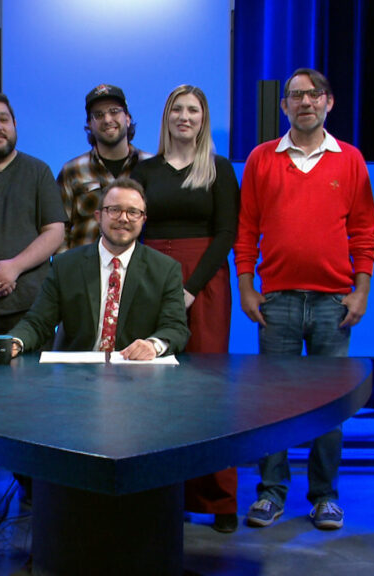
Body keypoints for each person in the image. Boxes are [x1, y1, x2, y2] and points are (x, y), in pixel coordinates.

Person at [233, 68, 374, 531]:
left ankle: (324, 497)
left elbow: (364, 231)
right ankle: (271, 494)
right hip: (275, 301)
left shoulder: (350, 160)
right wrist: (246, 285)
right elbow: (246, 229)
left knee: (328, 406)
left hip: (333, 303)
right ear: (284, 107)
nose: (305, 103)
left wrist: (361, 290)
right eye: (295, 96)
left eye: (313, 95)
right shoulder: (262, 159)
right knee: (272, 404)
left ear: (328, 103)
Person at [130, 85, 240, 533]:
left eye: (193, 110)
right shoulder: (145, 169)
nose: (184, 116)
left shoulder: (218, 169)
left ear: (203, 118)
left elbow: (227, 232)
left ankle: (219, 499)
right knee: (154, 386)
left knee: (207, 387)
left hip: (204, 281)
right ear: (166, 116)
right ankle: (160, 494)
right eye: (177, 108)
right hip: (153, 276)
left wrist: (191, 288)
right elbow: (132, 226)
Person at [0, 91, 67, 497]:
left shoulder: (38, 171)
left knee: (31, 400)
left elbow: (54, 231)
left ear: (15, 125)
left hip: (29, 306)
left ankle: (30, 477)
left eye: (4, 118)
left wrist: (12, 268)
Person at [8, 178, 189, 360]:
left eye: (133, 212)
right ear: (98, 216)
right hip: (78, 376)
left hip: (137, 375)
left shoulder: (165, 269)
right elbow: (38, 322)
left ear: (143, 220)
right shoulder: (65, 265)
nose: (123, 218)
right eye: (114, 210)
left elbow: (176, 327)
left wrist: (153, 345)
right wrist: (15, 342)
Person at [57, 84, 152, 251]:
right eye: (98, 115)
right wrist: (66, 272)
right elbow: (59, 231)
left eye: (114, 111)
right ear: (89, 125)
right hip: (84, 272)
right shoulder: (72, 171)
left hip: (140, 272)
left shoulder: (151, 166)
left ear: (127, 118)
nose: (107, 119)